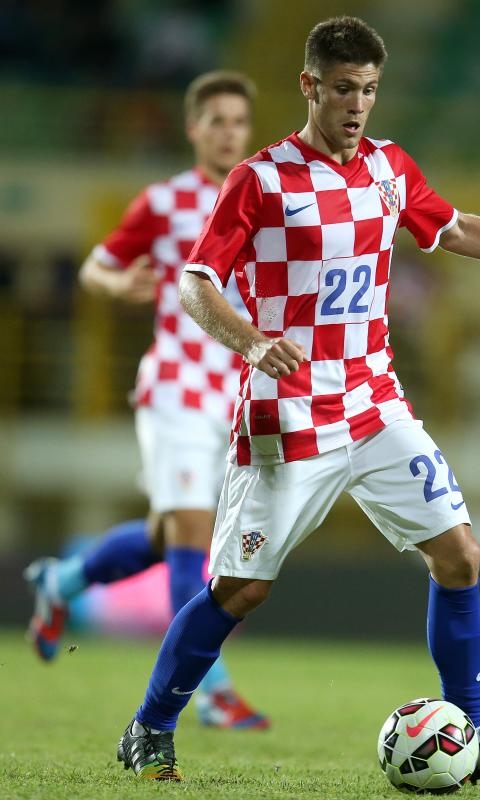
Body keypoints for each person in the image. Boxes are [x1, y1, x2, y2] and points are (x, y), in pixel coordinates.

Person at [115, 16, 480, 783]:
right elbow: (197, 283)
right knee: (243, 587)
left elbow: (453, 229)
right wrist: (254, 341)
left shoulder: (390, 168)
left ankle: (476, 733)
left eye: (368, 90)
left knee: (458, 555)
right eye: (343, 89)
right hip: (287, 410)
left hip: (374, 401)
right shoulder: (260, 179)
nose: (357, 105)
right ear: (309, 85)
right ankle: (150, 728)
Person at [23, 70, 269, 731]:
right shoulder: (164, 202)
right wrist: (116, 284)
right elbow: (95, 266)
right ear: (193, 128)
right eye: (215, 120)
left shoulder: (265, 203)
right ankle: (211, 690)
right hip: (175, 390)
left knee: (173, 537)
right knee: (194, 536)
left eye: (237, 122)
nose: (227, 132)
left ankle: (64, 581)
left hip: (235, 396)